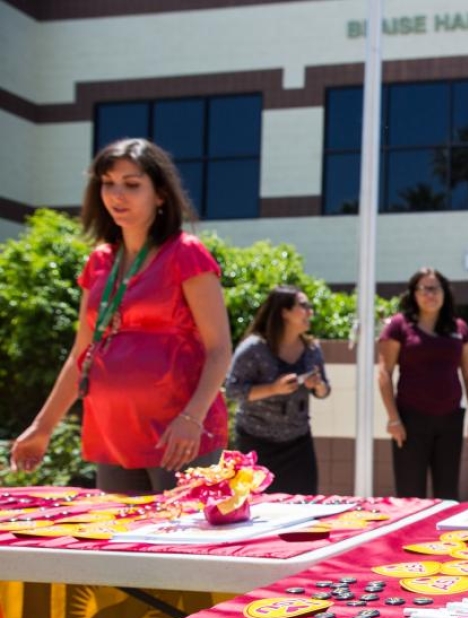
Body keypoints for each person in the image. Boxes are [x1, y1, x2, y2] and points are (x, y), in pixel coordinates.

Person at [9, 138, 231, 493]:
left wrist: (192, 418)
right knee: (117, 530)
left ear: (160, 195)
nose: (116, 194)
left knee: (181, 529)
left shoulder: (186, 253)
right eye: (107, 183)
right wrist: (43, 426)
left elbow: (220, 349)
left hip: (180, 437)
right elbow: (81, 353)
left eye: (132, 184)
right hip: (113, 437)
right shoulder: (99, 261)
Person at [377, 268, 468, 499]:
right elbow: (384, 373)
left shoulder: (459, 328)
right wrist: (393, 418)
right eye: (424, 289)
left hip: (450, 420)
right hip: (410, 421)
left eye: (435, 289)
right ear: (413, 293)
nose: (430, 294)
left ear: (445, 293)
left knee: (448, 493)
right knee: (410, 493)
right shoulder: (399, 325)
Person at [225, 286, 331, 495]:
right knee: (256, 505)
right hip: (256, 443)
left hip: (298, 443)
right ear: (284, 312)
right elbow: (233, 390)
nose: (310, 312)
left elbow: (325, 391)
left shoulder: (312, 349)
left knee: (303, 503)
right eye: (303, 306)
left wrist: (317, 385)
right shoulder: (254, 348)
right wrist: (273, 388)